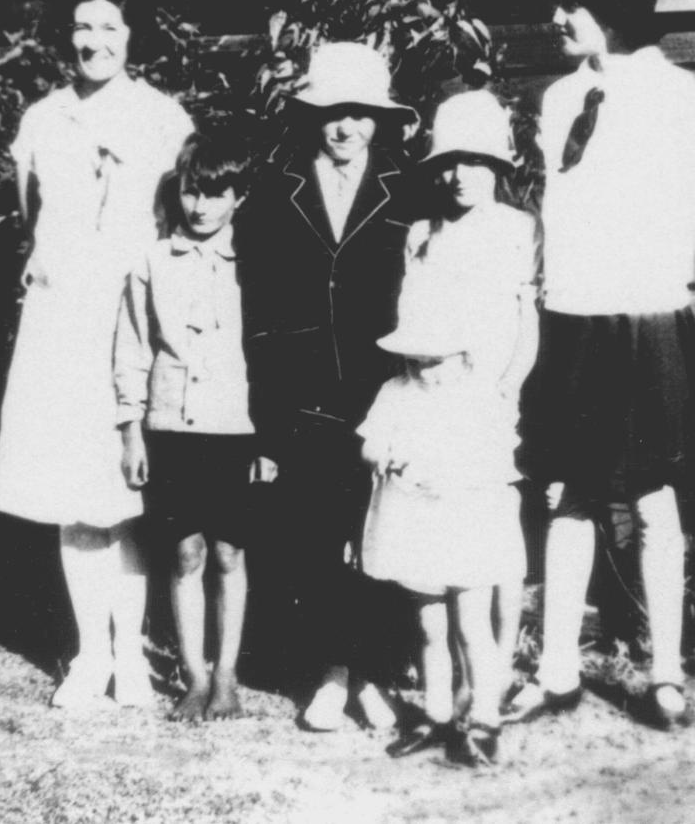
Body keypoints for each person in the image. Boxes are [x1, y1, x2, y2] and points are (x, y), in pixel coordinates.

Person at [503, 0, 695, 730]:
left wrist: (634, 263)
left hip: (643, 320)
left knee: (654, 496)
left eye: (573, 3)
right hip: (572, 322)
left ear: (614, 10)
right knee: (569, 491)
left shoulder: (672, 95)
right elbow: (551, 212)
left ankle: (664, 672)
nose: (557, 17)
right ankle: (558, 669)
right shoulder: (559, 98)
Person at [0, 0, 194, 708]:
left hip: (128, 321)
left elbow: (181, 227)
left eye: (109, 25)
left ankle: (134, 660)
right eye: (81, 25)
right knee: (74, 496)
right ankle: (90, 657)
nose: (94, 40)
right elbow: (30, 219)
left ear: (133, 35)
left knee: (124, 494)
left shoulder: (164, 119)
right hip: (60, 325)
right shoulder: (44, 119)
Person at [237, 41, 418, 732]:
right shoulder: (275, 189)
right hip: (303, 394)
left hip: (383, 391)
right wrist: (267, 416)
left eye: (359, 114)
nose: (344, 128)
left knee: (378, 534)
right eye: (330, 113)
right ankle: (330, 672)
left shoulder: (408, 190)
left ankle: (371, 668)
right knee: (313, 536)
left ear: (380, 118)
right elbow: (256, 305)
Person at [357, 91, 539, 767]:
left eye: (476, 161)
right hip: (422, 407)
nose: (461, 175)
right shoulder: (421, 234)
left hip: (477, 415)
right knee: (424, 593)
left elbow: (525, 329)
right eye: (450, 162)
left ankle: (483, 713)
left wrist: (505, 392)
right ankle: (436, 712)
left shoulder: (516, 230)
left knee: (471, 592)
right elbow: (410, 332)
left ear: (497, 165)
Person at [114, 131, 273, 722]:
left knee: (230, 553)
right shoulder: (154, 261)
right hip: (171, 428)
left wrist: (269, 439)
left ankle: (228, 675)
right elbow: (132, 346)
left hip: (236, 429)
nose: (201, 206)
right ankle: (195, 676)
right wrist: (132, 428)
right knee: (185, 554)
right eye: (191, 192)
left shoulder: (254, 265)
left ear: (239, 196)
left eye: (215, 193)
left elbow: (270, 356)